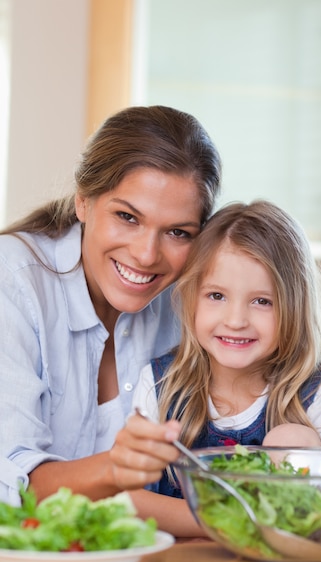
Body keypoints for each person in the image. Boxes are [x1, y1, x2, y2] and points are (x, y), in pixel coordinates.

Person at [0, 104, 221, 534]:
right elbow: (13, 488)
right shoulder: (13, 283)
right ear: (83, 200)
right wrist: (114, 470)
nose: (146, 254)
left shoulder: (191, 299)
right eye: (127, 217)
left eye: (178, 232)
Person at [133, 200, 321, 520]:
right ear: (192, 298)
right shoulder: (161, 384)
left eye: (261, 301)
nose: (236, 320)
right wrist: (236, 521)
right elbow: (134, 501)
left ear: (293, 307)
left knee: (291, 439)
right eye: (217, 296)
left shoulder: (318, 389)